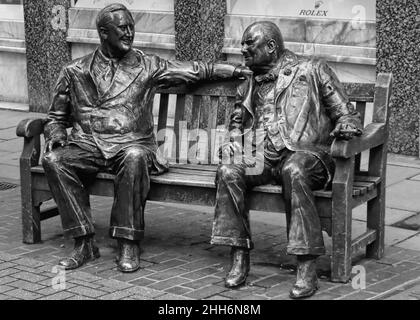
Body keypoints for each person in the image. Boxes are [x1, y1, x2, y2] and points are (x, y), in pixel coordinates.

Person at [42, 3, 250, 273]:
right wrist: (57, 134)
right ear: (104, 33)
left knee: (135, 156)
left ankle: (128, 241)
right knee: (54, 160)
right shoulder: (75, 71)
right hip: (89, 145)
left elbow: (194, 70)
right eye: (123, 29)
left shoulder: (147, 65)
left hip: (133, 144)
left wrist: (233, 71)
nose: (129, 33)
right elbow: (55, 117)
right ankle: (84, 242)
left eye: (132, 27)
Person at [210, 21, 363, 299]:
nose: (242, 49)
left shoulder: (312, 69)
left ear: (270, 47)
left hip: (308, 154)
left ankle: (306, 266)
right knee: (228, 171)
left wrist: (346, 125)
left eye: (248, 43)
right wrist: (233, 141)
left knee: (294, 169)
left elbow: (345, 112)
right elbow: (236, 121)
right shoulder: (249, 81)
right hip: (263, 154)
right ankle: (239, 254)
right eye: (242, 44)